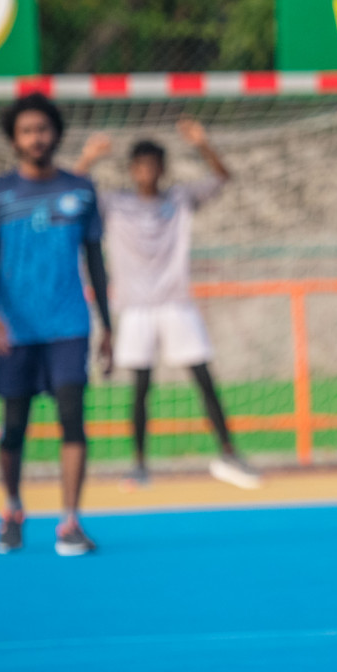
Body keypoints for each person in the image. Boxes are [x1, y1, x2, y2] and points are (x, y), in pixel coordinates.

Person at [74, 121, 259, 490]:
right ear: (131, 170)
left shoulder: (179, 199)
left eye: (153, 165)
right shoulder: (114, 203)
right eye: (140, 165)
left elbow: (222, 178)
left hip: (176, 303)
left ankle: (229, 452)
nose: (147, 171)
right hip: (135, 307)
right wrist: (88, 158)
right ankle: (139, 464)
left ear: (163, 169)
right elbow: (70, 190)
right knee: (141, 387)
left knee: (204, 377)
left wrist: (204, 144)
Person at [0, 93, 112, 556]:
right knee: (14, 427)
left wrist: (107, 324)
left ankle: (70, 521)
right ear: (14, 139)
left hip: (69, 323)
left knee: (73, 419)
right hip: (16, 327)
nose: (37, 137)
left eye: (43, 128)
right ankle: (12, 507)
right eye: (27, 130)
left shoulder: (80, 189)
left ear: (56, 133)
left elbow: (95, 258)